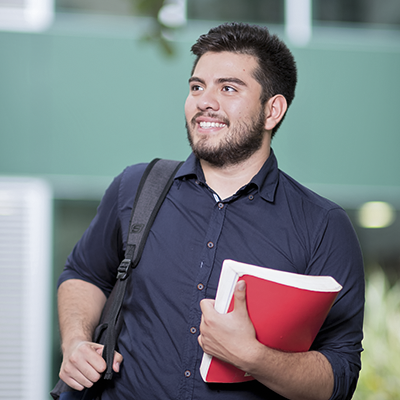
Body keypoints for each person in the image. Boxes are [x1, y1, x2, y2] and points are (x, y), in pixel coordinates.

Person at [57, 22, 364, 400]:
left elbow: (340, 375)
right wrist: (74, 342)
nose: (205, 101)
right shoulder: (137, 187)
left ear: (273, 110)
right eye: (196, 86)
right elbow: (84, 273)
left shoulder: (322, 226)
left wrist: (254, 357)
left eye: (228, 88)